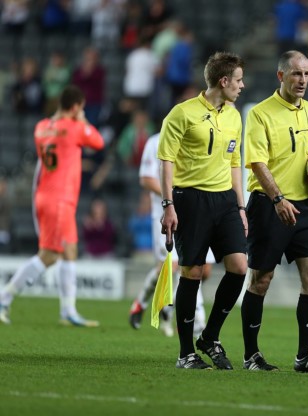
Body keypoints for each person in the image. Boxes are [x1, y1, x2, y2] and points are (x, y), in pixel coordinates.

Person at [242, 50, 308, 373]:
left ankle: (305, 355)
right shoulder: (260, 113)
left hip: (306, 205)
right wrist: (278, 199)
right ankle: (251, 355)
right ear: (281, 76)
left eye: (306, 74)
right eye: (296, 74)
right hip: (269, 205)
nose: (302, 80)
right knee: (261, 279)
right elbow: (257, 162)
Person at [158, 52, 248, 370]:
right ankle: (186, 353)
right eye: (238, 80)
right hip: (190, 199)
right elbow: (166, 160)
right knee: (192, 272)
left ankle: (209, 337)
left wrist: (241, 205)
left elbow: (234, 162)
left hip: (225, 200)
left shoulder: (234, 116)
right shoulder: (182, 114)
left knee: (239, 267)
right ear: (223, 81)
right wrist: (168, 205)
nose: (242, 85)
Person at [0, 85, 104, 326]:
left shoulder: (41, 127)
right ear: (76, 107)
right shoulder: (75, 127)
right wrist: (83, 120)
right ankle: (4, 298)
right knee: (49, 255)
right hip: (60, 199)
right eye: (81, 108)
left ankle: (68, 311)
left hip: (47, 194)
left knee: (70, 250)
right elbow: (98, 142)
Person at [129, 132, 214, 338]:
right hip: (166, 214)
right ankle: (195, 323)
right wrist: (173, 197)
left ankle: (170, 305)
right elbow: (146, 179)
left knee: (204, 270)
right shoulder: (156, 141)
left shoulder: (200, 135)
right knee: (173, 267)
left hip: (195, 211)